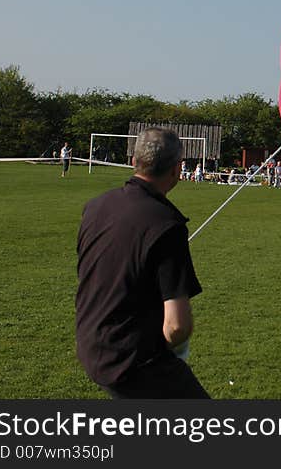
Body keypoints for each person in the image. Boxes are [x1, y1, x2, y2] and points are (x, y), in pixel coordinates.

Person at [75, 127, 208, 398]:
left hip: (92, 343)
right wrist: (177, 346)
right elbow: (176, 326)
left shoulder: (95, 206)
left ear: (134, 161)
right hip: (133, 362)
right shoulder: (167, 224)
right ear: (177, 169)